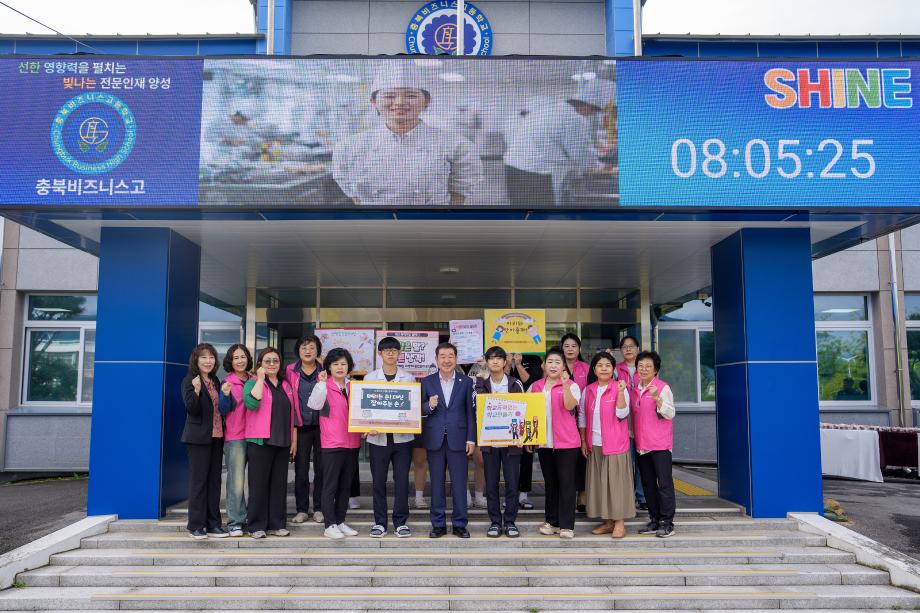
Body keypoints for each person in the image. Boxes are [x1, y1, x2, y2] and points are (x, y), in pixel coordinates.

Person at [332, 62, 482, 207]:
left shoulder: (457, 145)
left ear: (427, 101)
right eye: (389, 96)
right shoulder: (348, 146)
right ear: (374, 102)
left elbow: (460, 191)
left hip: (431, 220)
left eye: (411, 95)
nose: (400, 102)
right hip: (373, 220)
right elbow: (353, 193)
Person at [503, 79, 616, 206]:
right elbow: (580, 155)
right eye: (594, 111)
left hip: (513, 169)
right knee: (544, 213)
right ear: (588, 106)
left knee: (522, 211)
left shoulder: (548, 109)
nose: (591, 115)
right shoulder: (574, 118)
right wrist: (600, 166)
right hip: (537, 175)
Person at [421, 342, 476, 538]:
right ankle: (438, 524)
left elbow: (470, 413)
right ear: (436, 360)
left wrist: (471, 439)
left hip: (459, 439)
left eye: (450, 356)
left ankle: (460, 524)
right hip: (435, 439)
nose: (446, 360)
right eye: (442, 356)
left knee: (460, 484)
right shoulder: (426, 382)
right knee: (436, 484)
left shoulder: (466, 382)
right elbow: (419, 409)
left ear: (456, 359)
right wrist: (429, 405)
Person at [305, 348, 362, 539]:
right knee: (330, 485)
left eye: (343, 364)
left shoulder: (354, 386)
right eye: (335, 364)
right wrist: (321, 384)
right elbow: (314, 405)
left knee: (345, 486)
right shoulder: (324, 385)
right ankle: (329, 524)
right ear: (328, 367)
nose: (340, 367)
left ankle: (340, 521)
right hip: (332, 443)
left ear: (349, 366)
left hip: (352, 442)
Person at [243, 347, 299, 539]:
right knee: (258, 485)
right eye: (267, 361)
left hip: (282, 441)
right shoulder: (252, 383)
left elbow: (293, 414)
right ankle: (256, 525)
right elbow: (252, 403)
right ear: (260, 363)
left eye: (275, 360)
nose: (272, 364)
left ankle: (277, 523)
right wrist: (260, 378)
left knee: (278, 485)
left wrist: (293, 439)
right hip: (260, 442)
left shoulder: (286, 385)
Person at [364, 336, 416, 538]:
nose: (391, 353)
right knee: (378, 482)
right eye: (387, 350)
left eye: (394, 350)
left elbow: (412, 408)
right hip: (378, 439)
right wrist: (367, 426)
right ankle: (380, 523)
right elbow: (364, 408)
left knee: (401, 482)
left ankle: (401, 522)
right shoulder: (370, 378)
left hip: (403, 440)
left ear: (399, 354)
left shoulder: (408, 378)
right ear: (380, 354)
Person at [579, 352, 635, 539]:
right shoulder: (588, 390)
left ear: (613, 369)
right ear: (594, 370)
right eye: (600, 365)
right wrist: (583, 440)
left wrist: (620, 392)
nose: (604, 368)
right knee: (600, 484)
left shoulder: (619, 387)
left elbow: (622, 414)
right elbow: (582, 416)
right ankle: (607, 522)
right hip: (594, 443)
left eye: (608, 365)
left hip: (615, 444)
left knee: (616, 485)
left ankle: (619, 523)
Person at [474, 346, 525, 538]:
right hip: (490, 442)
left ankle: (510, 521)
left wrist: (523, 436)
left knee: (512, 484)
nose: (495, 361)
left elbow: (525, 409)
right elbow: (476, 406)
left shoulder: (515, 383)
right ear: (487, 362)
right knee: (491, 484)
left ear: (505, 362)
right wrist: (480, 381)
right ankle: (495, 522)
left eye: (499, 358)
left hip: (512, 443)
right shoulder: (481, 383)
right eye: (491, 358)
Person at [530, 348, 582, 539]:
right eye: (550, 362)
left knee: (567, 483)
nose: (553, 366)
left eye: (557, 362)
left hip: (567, 443)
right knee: (551, 484)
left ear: (563, 367)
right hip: (544, 443)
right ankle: (552, 522)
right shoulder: (535, 386)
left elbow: (570, 406)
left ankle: (567, 526)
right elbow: (528, 412)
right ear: (543, 365)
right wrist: (529, 439)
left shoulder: (572, 385)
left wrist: (565, 385)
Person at [181, 343, 227, 540]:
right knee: (199, 482)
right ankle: (196, 525)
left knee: (214, 481)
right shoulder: (190, 380)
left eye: (211, 357)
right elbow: (191, 409)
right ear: (196, 360)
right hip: (198, 438)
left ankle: (213, 524)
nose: (208, 361)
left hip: (217, 436)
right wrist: (197, 391)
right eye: (204, 357)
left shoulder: (215, 380)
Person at [633, 351, 677, 538]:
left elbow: (670, 413)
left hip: (660, 445)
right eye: (641, 366)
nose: (644, 369)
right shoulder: (635, 390)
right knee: (648, 484)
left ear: (656, 370)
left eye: (648, 366)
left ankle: (667, 523)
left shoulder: (663, 387)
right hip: (642, 445)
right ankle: (654, 519)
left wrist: (657, 398)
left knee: (664, 484)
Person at [285, 335, 325, 525]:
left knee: (322, 469)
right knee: (301, 470)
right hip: (300, 428)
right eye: (304, 347)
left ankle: (319, 508)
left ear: (318, 351)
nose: (308, 351)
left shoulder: (325, 369)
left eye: (312, 347)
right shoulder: (290, 370)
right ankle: (301, 509)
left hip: (323, 427)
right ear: (298, 351)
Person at [218, 343, 253, 537]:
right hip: (236, 436)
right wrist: (224, 394)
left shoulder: (255, 379)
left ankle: (255, 518)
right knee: (236, 482)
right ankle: (235, 522)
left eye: (243, 357)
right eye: (236, 358)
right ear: (230, 361)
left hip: (257, 436)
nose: (240, 361)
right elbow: (223, 410)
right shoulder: (228, 382)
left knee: (257, 480)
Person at [614, 335, 646, 511]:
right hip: (623, 423)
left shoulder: (644, 368)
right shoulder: (616, 369)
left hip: (642, 422)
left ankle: (642, 496)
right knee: (626, 463)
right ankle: (627, 497)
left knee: (642, 462)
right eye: (624, 347)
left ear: (638, 349)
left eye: (631, 346)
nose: (628, 349)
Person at [560, 333, 590, 512]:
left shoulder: (587, 368)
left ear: (579, 349)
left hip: (583, 419)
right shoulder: (556, 366)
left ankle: (583, 495)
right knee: (566, 460)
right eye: (566, 346)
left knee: (583, 458)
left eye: (574, 346)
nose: (570, 349)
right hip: (562, 420)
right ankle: (566, 497)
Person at [511, 353, 543, 510]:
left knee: (526, 455)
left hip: (529, 410)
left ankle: (523, 495)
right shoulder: (500, 356)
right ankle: (510, 495)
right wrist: (507, 363)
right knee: (508, 457)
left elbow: (532, 383)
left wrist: (518, 364)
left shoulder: (534, 358)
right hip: (505, 410)